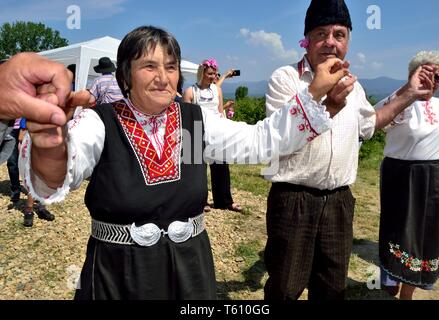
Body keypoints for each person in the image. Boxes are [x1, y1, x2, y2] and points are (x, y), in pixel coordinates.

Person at [19, 25, 350, 300]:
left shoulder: (191, 123)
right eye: (149, 66)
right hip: (120, 272)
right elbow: (58, 178)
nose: (163, 77)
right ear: (125, 74)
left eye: (171, 66)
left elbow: (262, 141)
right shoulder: (100, 122)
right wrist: (50, 142)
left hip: (190, 270)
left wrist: (313, 95)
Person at [263, 0, 434, 300]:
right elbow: (279, 138)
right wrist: (327, 105)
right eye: (321, 33)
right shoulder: (285, 79)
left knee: (332, 288)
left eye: (339, 34)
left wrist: (409, 93)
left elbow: (370, 124)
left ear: (348, 41)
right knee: (284, 288)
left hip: (340, 202)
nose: (330, 42)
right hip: (293, 200)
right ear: (307, 39)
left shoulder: (354, 87)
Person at [376, 51, 439, 300]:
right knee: (401, 234)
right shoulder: (400, 103)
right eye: (429, 74)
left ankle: (408, 292)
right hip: (403, 178)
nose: (435, 81)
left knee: (427, 237)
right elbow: (370, 120)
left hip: (437, 180)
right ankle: (391, 279)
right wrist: (407, 90)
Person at [182, 59, 242, 212]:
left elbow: (220, 111)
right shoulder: (190, 91)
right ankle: (200, 201)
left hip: (216, 132)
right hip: (197, 132)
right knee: (198, 170)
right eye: (210, 73)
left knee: (221, 167)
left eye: (214, 73)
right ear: (202, 73)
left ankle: (225, 201)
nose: (213, 76)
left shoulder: (217, 90)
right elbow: (185, 116)